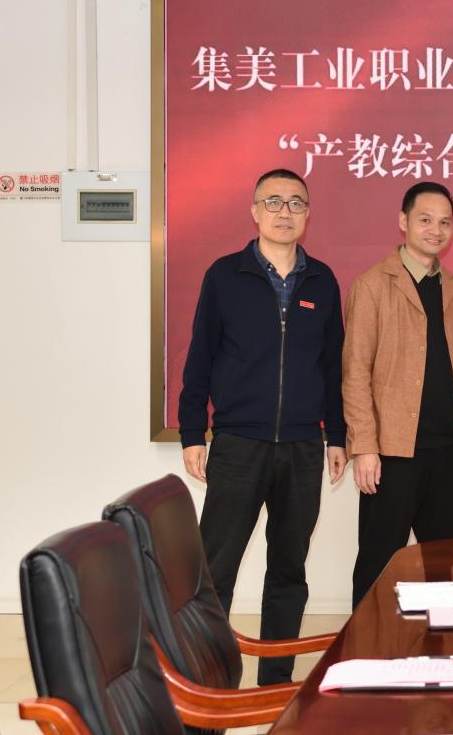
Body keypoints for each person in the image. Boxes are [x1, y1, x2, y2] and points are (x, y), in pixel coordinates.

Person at [178, 167, 346, 685]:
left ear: (307, 215)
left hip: (302, 446)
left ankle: (276, 683)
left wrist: (337, 436)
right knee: (215, 571)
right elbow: (200, 357)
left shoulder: (322, 281)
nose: (284, 212)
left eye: (296, 203)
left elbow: (332, 367)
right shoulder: (224, 276)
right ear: (254, 211)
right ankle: (207, 685)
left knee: (289, 572)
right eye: (273, 201)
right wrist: (192, 432)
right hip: (238, 444)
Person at [343, 181, 453, 606]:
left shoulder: (451, 286)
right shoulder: (372, 285)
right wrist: (365, 447)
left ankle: (437, 646)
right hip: (393, 451)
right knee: (379, 564)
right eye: (425, 220)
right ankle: (366, 646)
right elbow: (355, 370)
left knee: (444, 565)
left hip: (448, 450)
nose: (436, 230)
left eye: (444, 223)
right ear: (403, 222)